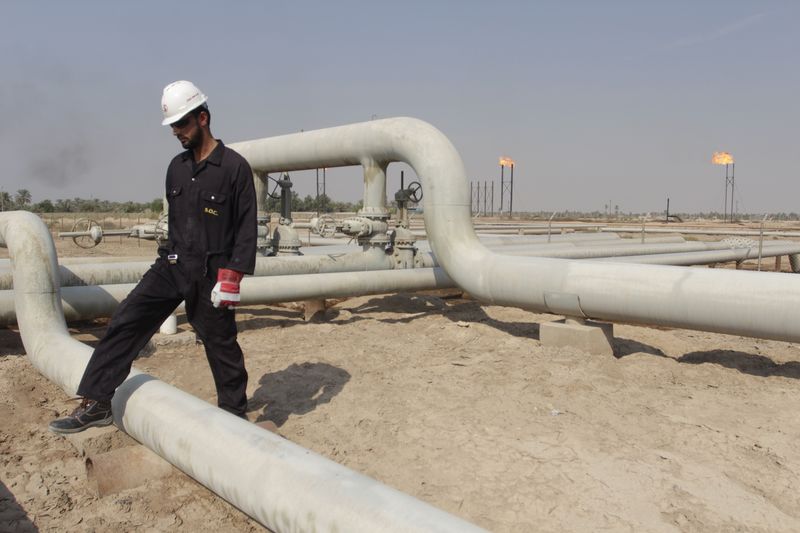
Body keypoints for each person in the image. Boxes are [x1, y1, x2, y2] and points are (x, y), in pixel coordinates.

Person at [50, 80, 257, 433]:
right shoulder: (176, 168)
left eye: (181, 124)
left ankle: (235, 420)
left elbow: (246, 228)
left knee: (221, 346)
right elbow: (175, 225)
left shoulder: (234, 168)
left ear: (203, 118)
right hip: (173, 265)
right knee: (124, 322)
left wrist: (232, 278)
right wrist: (166, 257)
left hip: (212, 273)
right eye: (173, 126)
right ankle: (98, 402)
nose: (176, 132)